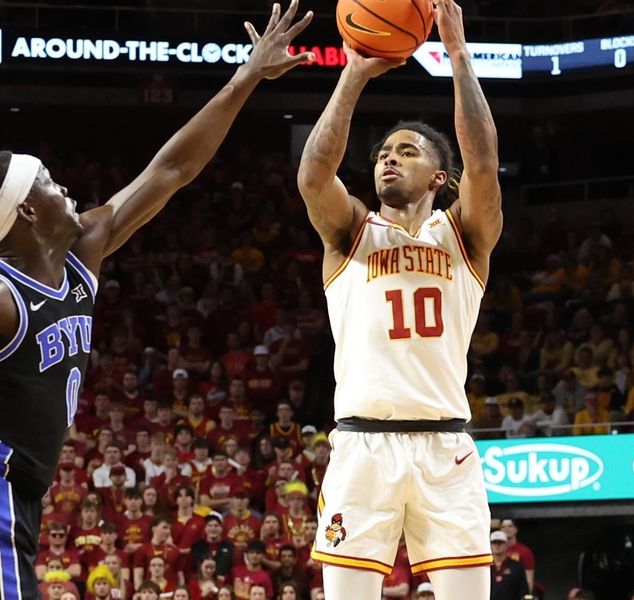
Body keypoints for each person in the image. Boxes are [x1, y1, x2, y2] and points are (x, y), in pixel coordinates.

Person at [0, 5, 316, 598]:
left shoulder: (81, 252)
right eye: (47, 181)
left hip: (24, 496)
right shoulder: (3, 295)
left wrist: (245, 76)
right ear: (24, 211)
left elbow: (171, 168)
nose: (63, 186)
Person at [297, 0, 502, 598]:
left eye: (408, 151)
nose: (390, 157)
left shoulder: (463, 234)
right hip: (363, 444)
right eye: (385, 152)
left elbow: (484, 161)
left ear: (440, 178)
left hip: (446, 447)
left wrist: (458, 56)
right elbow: (313, 174)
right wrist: (354, 73)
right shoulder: (351, 233)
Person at [488, 531, 528, 600]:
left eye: (500, 543)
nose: (497, 546)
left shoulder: (517, 566)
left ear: (506, 544)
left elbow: (523, 591)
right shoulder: (485, 567)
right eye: (494, 543)